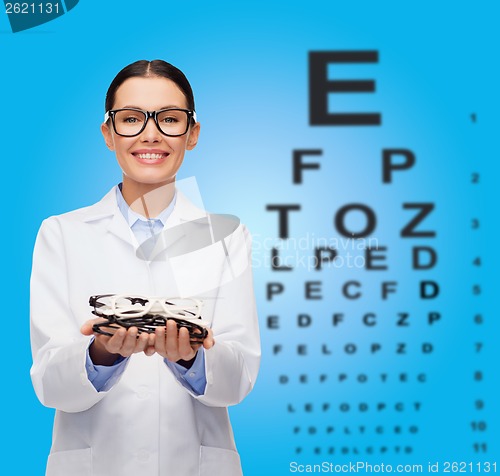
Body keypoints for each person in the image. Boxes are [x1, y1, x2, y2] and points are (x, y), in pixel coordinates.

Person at [30, 60, 261, 476]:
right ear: (108, 134)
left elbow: (239, 377)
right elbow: (48, 382)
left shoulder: (227, 236)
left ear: (192, 134)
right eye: (131, 119)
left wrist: (192, 359)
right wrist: (101, 353)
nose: (150, 133)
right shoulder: (60, 233)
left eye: (170, 119)